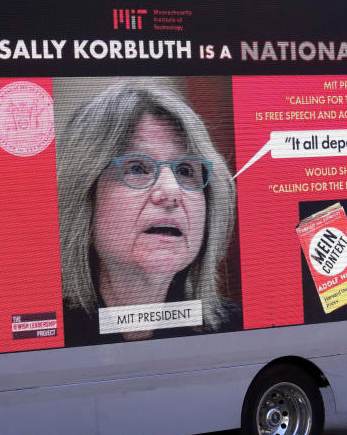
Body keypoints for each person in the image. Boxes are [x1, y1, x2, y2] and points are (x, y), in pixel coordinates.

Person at [57, 81, 239, 345]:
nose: (171, 192)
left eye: (186, 170)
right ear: (84, 198)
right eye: (137, 168)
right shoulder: (43, 331)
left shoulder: (232, 330)